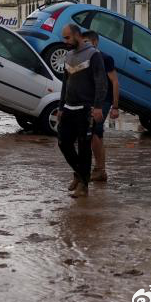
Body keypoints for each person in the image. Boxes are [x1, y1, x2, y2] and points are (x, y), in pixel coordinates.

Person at [57, 24, 108, 198]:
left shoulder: (94, 55)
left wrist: (98, 107)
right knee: (63, 143)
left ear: (77, 35)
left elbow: (102, 82)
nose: (65, 42)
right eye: (64, 38)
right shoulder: (69, 55)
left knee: (84, 147)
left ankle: (83, 186)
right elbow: (65, 83)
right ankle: (80, 174)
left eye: (67, 38)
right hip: (69, 108)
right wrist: (60, 107)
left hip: (86, 109)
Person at [82, 30, 120, 183]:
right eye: (82, 42)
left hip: (103, 101)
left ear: (95, 42)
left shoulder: (105, 58)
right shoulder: (84, 58)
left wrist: (115, 106)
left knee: (95, 133)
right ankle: (99, 170)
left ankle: (99, 170)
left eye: (87, 42)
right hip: (89, 101)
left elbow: (115, 82)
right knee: (93, 135)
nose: (84, 45)